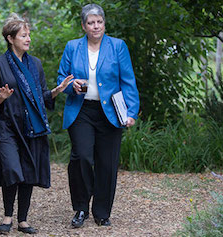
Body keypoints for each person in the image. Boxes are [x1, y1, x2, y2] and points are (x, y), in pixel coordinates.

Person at [0, 13, 73, 234]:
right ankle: (8, 216)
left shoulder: (36, 64)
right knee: (11, 169)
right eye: (23, 35)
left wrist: (56, 91)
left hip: (30, 126)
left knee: (26, 171)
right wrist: (2, 98)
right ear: (10, 38)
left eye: (29, 35)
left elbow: (42, 96)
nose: (28, 39)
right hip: (5, 126)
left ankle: (23, 220)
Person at [57, 4, 140, 228]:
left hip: (110, 112)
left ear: (104, 24)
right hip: (81, 111)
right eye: (91, 23)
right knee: (81, 157)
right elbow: (60, 79)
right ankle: (81, 208)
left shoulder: (118, 46)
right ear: (84, 26)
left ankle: (101, 212)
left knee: (107, 163)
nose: (96, 26)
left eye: (99, 22)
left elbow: (128, 81)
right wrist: (70, 85)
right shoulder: (72, 47)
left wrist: (131, 112)